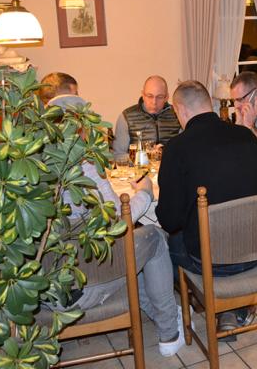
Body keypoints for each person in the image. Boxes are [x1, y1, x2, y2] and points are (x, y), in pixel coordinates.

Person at [42, 73, 184, 358]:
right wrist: (145, 193)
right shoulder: (85, 166)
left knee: (136, 246)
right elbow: (119, 221)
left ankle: (159, 312)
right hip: (86, 284)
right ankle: (169, 331)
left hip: (49, 288)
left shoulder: (29, 162)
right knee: (153, 237)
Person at [156, 80, 257, 339]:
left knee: (163, 243)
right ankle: (230, 307)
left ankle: (208, 302)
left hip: (213, 260)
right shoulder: (247, 136)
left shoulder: (177, 148)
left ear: (180, 110)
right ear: (210, 105)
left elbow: (170, 221)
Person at [112, 76, 181, 159]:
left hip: (171, 166)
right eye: (150, 96)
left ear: (166, 97)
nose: (154, 102)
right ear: (143, 95)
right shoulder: (126, 117)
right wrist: (146, 157)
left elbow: (186, 149)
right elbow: (118, 155)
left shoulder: (178, 114)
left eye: (159, 97)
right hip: (138, 167)